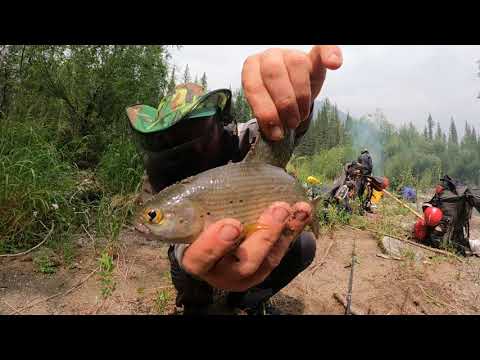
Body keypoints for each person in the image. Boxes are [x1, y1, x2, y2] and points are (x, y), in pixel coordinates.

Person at [128, 45, 343, 315]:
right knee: (192, 280)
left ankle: (244, 303)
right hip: (189, 249)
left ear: (216, 124)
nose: (182, 147)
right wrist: (189, 257)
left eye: (194, 132)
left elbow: (281, 132)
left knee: (303, 245)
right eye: (171, 138)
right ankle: (197, 304)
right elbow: (173, 237)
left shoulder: (241, 137)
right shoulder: (158, 175)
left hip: (255, 225)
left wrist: (297, 101)